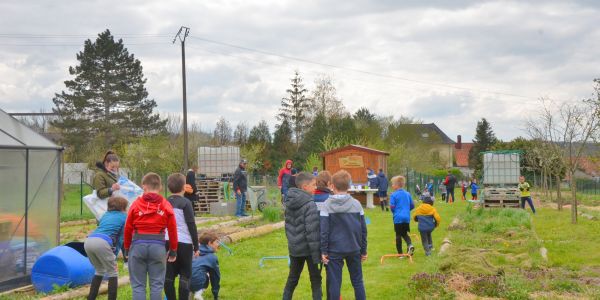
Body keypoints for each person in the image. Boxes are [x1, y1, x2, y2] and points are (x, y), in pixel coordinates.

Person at [123, 173, 178, 300]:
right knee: (157, 285)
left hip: (137, 245)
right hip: (158, 246)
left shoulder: (136, 205)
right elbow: (173, 229)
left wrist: (126, 247)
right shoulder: (166, 205)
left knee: (138, 285)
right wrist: (173, 250)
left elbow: (128, 228)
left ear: (144, 186)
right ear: (160, 187)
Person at [320, 170, 367, 300]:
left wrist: (323, 251)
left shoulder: (326, 205)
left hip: (334, 250)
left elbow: (324, 231)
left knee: (335, 284)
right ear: (349, 186)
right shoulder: (356, 204)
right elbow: (363, 230)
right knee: (358, 282)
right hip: (354, 249)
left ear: (332, 186)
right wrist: (363, 250)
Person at [283, 172, 322, 300]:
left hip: (294, 248)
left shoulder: (289, 201)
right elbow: (312, 231)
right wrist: (317, 255)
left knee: (292, 279)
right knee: (316, 280)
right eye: (313, 185)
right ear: (305, 187)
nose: (316, 187)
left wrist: (292, 243)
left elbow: (287, 226)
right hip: (309, 250)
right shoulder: (310, 203)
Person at [164, 173, 200, 300]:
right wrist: (196, 246)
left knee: (168, 276)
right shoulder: (186, 202)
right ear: (184, 187)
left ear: (168, 188)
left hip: (167, 241)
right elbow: (191, 224)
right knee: (185, 275)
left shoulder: (164, 202)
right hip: (185, 242)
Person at [84, 196, 128, 300]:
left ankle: (91, 298)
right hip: (102, 243)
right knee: (113, 272)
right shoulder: (124, 217)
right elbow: (121, 237)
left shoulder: (105, 215)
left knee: (99, 270)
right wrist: (114, 254)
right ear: (123, 207)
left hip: (89, 241)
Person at [190, 231, 221, 300]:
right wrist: (215, 295)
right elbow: (215, 278)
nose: (218, 244)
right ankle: (198, 292)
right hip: (197, 282)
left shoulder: (192, 251)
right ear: (209, 243)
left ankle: (190, 296)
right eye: (216, 242)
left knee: (193, 271)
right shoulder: (212, 257)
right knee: (209, 274)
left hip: (184, 281)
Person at [389, 176, 415, 256]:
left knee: (398, 235)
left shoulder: (393, 195)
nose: (392, 186)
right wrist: (406, 211)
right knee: (404, 233)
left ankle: (400, 254)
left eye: (392, 184)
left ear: (396, 185)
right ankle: (410, 245)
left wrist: (395, 212)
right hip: (406, 217)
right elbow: (412, 205)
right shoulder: (407, 194)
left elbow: (392, 207)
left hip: (398, 217)